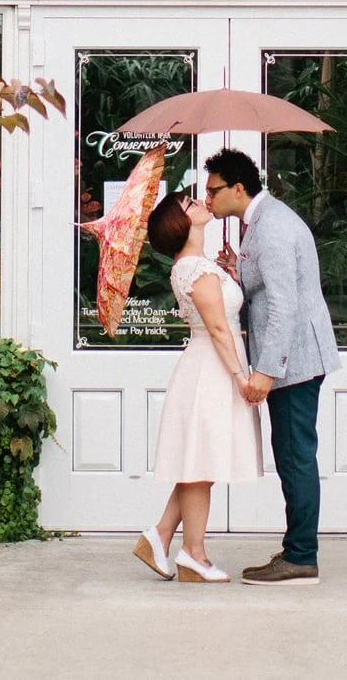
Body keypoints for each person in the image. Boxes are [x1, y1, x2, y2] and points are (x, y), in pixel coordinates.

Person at [204, 147, 339, 585]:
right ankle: (297, 548)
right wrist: (238, 271)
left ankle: (302, 556)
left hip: (294, 360)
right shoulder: (260, 221)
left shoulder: (274, 228)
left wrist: (266, 370)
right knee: (292, 454)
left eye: (213, 190)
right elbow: (272, 287)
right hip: (291, 358)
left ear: (238, 188)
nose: (207, 199)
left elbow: (283, 305)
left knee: (296, 455)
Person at [133, 189, 261, 584]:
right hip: (211, 369)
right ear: (182, 223)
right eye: (189, 205)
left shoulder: (201, 265)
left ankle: (160, 535)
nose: (199, 202)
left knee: (197, 462)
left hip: (210, 366)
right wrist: (241, 376)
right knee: (201, 463)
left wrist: (232, 274)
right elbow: (220, 328)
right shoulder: (193, 269)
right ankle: (194, 553)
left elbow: (224, 314)